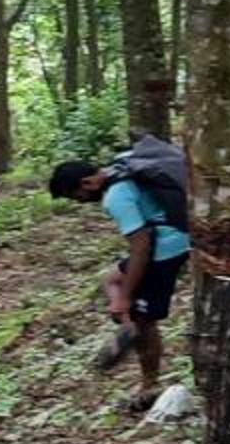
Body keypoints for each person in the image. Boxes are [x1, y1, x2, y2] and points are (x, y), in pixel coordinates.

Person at [49, 151, 193, 414]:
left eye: (76, 197)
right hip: (175, 231)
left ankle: (149, 383)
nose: (80, 202)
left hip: (168, 247)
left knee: (144, 319)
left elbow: (141, 245)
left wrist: (126, 297)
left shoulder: (116, 197)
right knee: (111, 279)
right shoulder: (123, 165)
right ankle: (127, 326)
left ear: (87, 183)